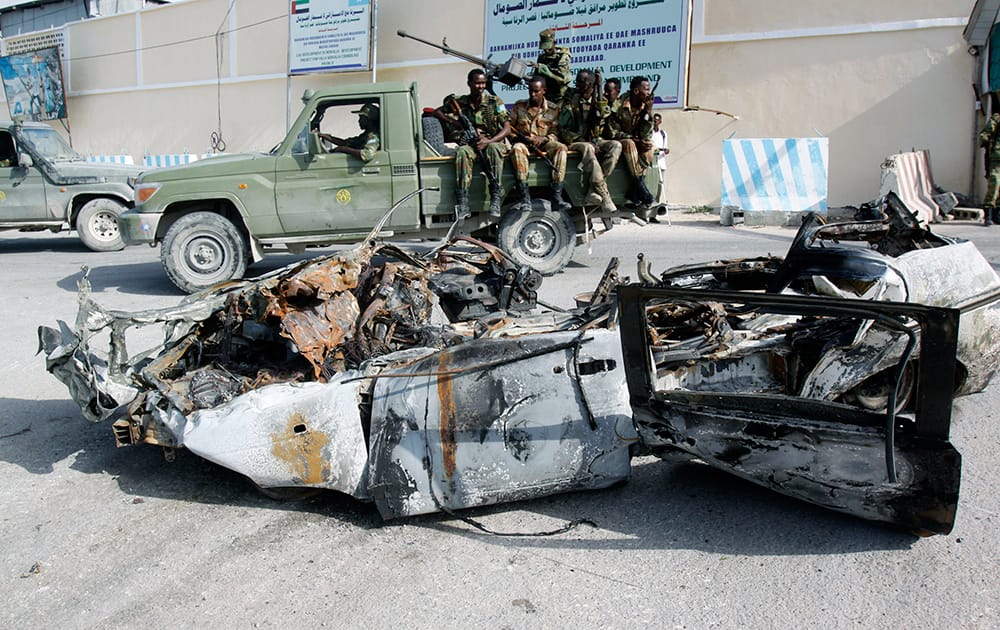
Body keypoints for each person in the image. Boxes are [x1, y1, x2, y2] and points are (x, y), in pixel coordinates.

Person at [433, 68, 511, 219]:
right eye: (477, 83)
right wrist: (454, 122)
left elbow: (507, 128)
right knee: (462, 151)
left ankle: (495, 195)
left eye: (483, 83)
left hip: (491, 140)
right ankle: (462, 201)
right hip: (471, 142)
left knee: (494, 149)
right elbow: (437, 112)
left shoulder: (494, 102)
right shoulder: (461, 102)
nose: (481, 87)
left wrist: (489, 141)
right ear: (469, 84)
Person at [558, 69, 621, 212]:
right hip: (576, 140)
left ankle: (593, 189)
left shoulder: (600, 99)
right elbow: (563, 129)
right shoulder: (571, 102)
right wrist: (580, 138)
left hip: (596, 140)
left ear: (590, 84)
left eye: (581, 82)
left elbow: (603, 114)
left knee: (616, 146)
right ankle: (604, 195)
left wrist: (599, 88)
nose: (578, 85)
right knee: (588, 148)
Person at [509, 76, 570, 213]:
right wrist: (523, 139)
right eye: (530, 91)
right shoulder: (519, 106)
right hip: (524, 144)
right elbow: (510, 130)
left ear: (544, 91)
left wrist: (544, 138)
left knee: (561, 148)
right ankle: (525, 198)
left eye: (536, 91)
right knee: (516, 149)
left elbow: (556, 132)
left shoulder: (553, 109)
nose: (532, 94)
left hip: (545, 143)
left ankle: (556, 196)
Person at [607, 75, 655, 207]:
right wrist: (633, 139)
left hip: (636, 144)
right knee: (629, 143)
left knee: (650, 146)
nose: (648, 93)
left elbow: (645, 134)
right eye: (646, 89)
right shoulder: (618, 105)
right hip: (620, 141)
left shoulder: (645, 106)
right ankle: (640, 187)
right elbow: (612, 132)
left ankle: (634, 190)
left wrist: (647, 113)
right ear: (636, 91)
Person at [315, 103, 380, 161]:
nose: (359, 121)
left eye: (361, 118)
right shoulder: (365, 135)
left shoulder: (373, 136)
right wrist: (323, 135)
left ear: (369, 120)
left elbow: (367, 155)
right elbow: (346, 143)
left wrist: (345, 149)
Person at [529, 28, 572, 104]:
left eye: (548, 48)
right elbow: (538, 79)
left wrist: (549, 73)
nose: (546, 50)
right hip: (546, 98)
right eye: (544, 48)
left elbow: (563, 80)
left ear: (554, 43)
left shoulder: (562, 57)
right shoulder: (542, 57)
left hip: (560, 98)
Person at [978, 111, 1000, 226]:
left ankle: (997, 215)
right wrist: (985, 139)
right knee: (994, 184)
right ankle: (989, 214)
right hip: (996, 158)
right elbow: (984, 134)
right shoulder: (997, 118)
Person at [651, 112, 669, 205]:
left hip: (660, 162)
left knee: (659, 185)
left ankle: (655, 207)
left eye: (657, 120)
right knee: (650, 185)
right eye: (654, 120)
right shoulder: (649, 132)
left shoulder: (663, 133)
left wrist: (665, 150)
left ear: (660, 121)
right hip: (650, 163)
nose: (655, 122)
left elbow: (665, 148)